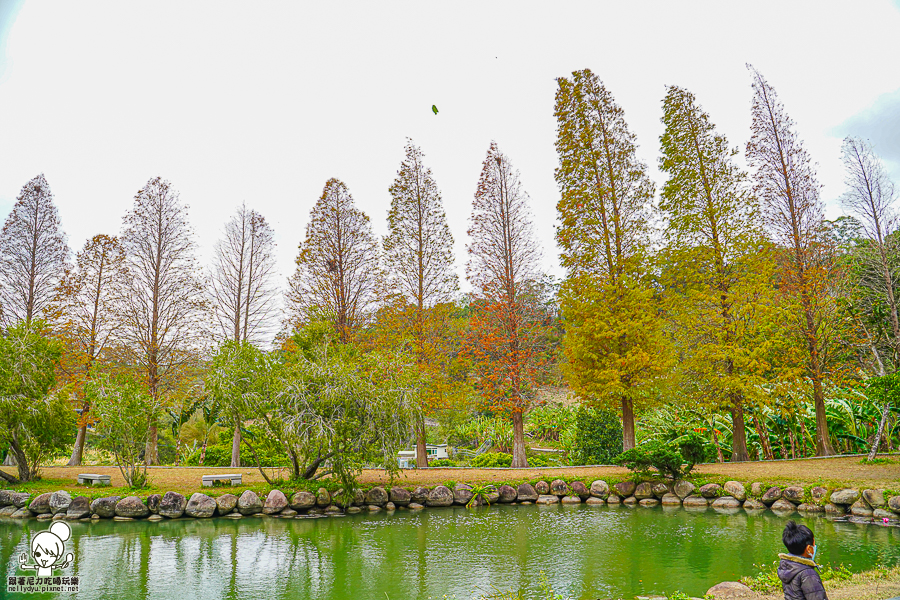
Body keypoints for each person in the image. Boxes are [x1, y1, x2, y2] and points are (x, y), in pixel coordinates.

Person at [778, 520, 828, 600]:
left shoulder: (787, 565)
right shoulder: (808, 574)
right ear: (808, 549)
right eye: (814, 543)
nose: (815, 546)